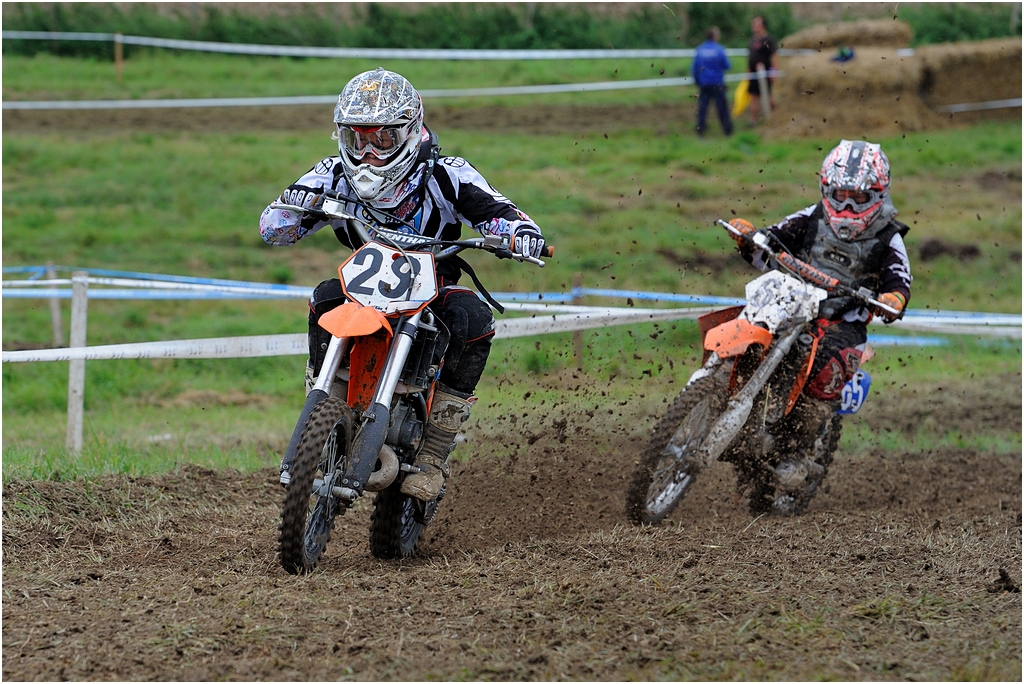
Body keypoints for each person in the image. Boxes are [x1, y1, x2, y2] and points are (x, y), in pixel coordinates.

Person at [260, 67, 545, 499]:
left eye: (382, 139)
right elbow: (273, 227)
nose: (368, 153)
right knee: (324, 298)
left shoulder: (447, 174)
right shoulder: (332, 172)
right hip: (362, 288)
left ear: (410, 132)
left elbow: (501, 212)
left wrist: (518, 234)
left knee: (472, 316)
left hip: (433, 286)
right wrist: (295, 206)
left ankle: (433, 454)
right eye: (357, 139)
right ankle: (326, 403)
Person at [727, 139, 911, 450]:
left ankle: (796, 448)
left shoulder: (888, 237)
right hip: (794, 302)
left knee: (823, 370)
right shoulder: (814, 216)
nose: (847, 207)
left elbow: (899, 279)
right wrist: (750, 238)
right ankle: (719, 383)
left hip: (842, 321)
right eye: (840, 195)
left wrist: (893, 299)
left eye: (858, 198)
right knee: (746, 322)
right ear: (827, 190)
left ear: (878, 196)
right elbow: (775, 238)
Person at [691, 26, 734, 137]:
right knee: (722, 107)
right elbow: (727, 65)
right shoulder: (719, 49)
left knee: (703, 107)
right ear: (715, 36)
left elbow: (694, 68)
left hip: (704, 83)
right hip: (717, 83)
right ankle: (727, 130)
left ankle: (700, 129)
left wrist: (698, 81)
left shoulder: (700, 50)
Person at [746, 15, 778, 126]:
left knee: (767, 96)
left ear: (763, 25)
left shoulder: (768, 39)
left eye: (757, 23)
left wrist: (773, 71)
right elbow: (750, 57)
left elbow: (775, 55)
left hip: (765, 73)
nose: (754, 26)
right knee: (754, 96)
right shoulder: (752, 40)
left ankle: (777, 115)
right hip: (754, 73)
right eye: (753, 23)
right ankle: (753, 120)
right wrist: (748, 71)